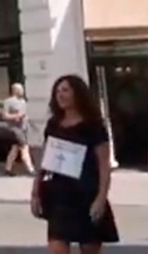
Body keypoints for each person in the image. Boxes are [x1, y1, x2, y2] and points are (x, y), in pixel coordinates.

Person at [31, 75, 119, 254]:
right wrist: (35, 193)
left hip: (86, 193)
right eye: (57, 91)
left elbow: (104, 165)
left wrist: (101, 198)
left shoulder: (93, 126)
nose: (60, 95)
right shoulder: (54, 124)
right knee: (57, 247)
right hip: (59, 194)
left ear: (77, 94)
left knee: (89, 248)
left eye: (65, 90)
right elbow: (44, 161)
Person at [3, 83, 35, 175]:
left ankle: (8, 169)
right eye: (20, 89)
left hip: (23, 128)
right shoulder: (8, 101)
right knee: (24, 148)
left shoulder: (23, 101)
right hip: (15, 129)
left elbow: (25, 114)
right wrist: (17, 116)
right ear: (15, 90)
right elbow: (5, 116)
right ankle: (31, 169)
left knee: (14, 149)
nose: (22, 91)